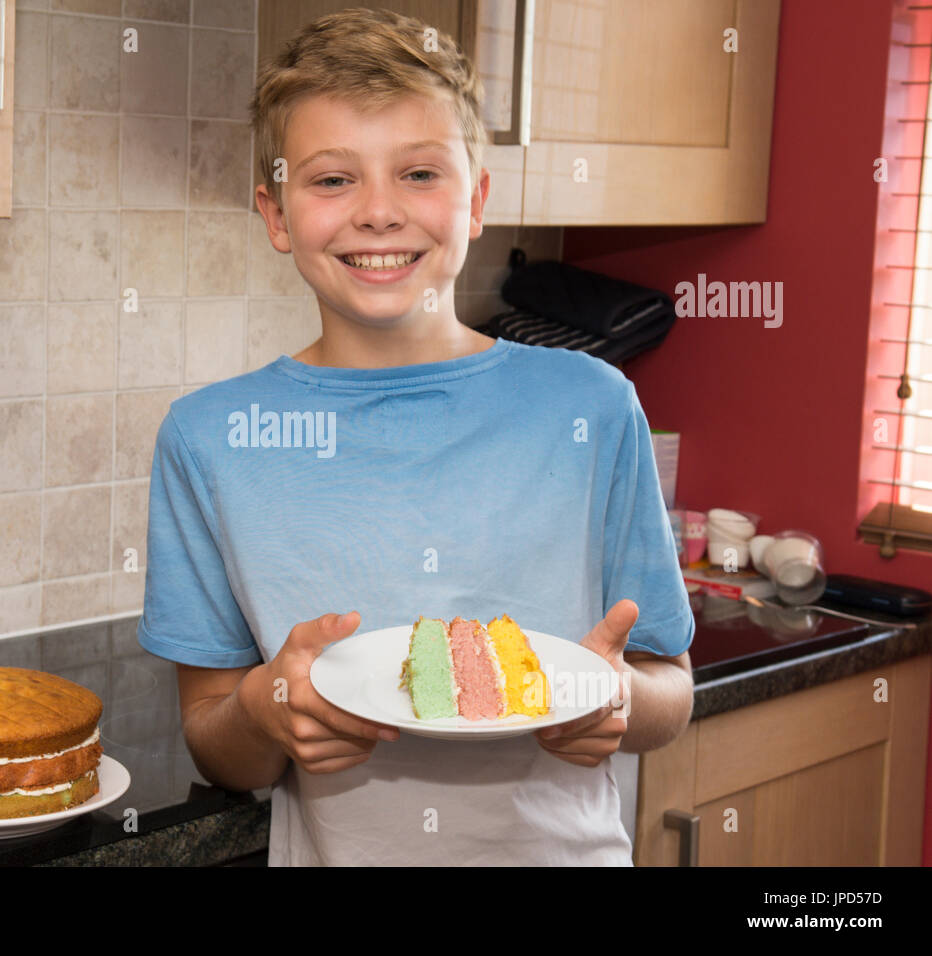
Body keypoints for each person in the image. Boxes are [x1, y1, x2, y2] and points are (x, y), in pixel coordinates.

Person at [137, 7, 695, 865]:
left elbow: (671, 689)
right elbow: (216, 739)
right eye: (332, 181)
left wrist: (617, 697)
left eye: (419, 173)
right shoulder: (210, 439)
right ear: (277, 214)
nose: (379, 213)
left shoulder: (594, 405)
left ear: (475, 200)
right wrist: (262, 708)